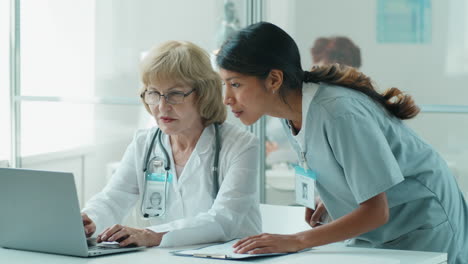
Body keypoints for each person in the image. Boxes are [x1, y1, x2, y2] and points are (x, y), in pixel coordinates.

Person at [216, 22, 468, 264]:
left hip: (422, 223)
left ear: (273, 80)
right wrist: (334, 196)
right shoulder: (291, 113)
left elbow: (377, 211)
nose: (227, 98)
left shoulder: (338, 113)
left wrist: (296, 240)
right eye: (224, 85)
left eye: (235, 84)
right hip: (382, 233)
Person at [81, 40, 261, 248]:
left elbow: (224, 220)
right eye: (154, 93)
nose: (162, 106)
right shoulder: (144, 143)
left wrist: (150, 234)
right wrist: (89, 221)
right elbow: (114, 198)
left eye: (175, 94)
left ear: (203, 95)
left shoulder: (241, 145)